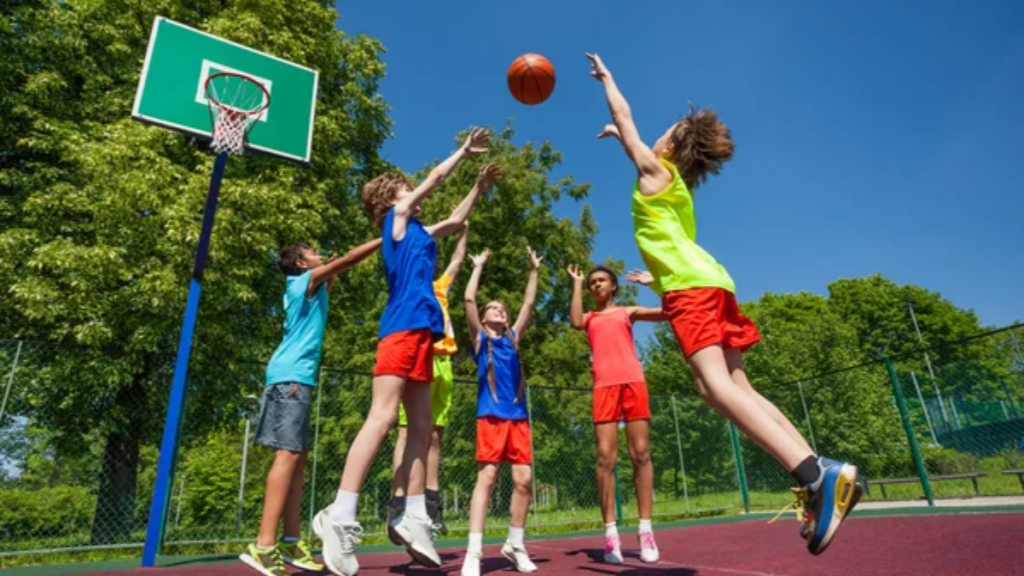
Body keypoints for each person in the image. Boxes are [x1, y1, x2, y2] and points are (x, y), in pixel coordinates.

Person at [586, 52, 861, 556]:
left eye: (660, 134)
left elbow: (628, 121)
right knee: (731, 388)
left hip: (694, 289)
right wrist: (660, 282)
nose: (650, 138)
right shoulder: (676, 190)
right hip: (711, 282)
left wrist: (609, 81)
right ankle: (816, 471)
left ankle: (816, 475)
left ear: (666, 147)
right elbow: (674, 244)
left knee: (712, 384)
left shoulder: (654, 172)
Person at [313, 127, 500, 576]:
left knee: (421, 426)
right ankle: (339, 515)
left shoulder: (418, 230)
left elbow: (454, 223)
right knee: (381, 420)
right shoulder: (395, 220)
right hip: (399, 330)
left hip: (425, 336)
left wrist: (477, 187)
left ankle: (413, 513)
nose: (411, 187)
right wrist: (462, 152)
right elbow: (433, 180)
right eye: (404, 186)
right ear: (390, 197)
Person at [240, 238, 381, 576]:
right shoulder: (302, 281)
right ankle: (262, 545)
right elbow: (345, 260)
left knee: (298, 458)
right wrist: (386, 234)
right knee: (287, 455)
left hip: (298, 380)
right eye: (313, 253)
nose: (321, 255)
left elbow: (333, 275)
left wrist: (327, 268)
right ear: (301, 264)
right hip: (289, 379)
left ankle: (290, 539)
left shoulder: (312, 286)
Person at [567, 264, 664, 564]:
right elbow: (574, 321)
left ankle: (645, 530)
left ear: (613, 287)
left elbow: (669, 311)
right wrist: (576, 283)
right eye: (592, 283)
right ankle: (611, 535)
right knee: (605, 458)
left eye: (601, 281)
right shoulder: (590, 317)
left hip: (633, 382)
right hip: (604, 386)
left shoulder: (627, 312)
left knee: (641, 454)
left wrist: (655, 284)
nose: (596, 285)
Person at [460, 247, 542, 576]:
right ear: (483, 317)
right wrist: (478, 267)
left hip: (518, 417)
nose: (499, 311)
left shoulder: (512, 338)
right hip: (491, 416)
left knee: (524, 481)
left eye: (502, 309)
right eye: (492, 308)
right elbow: (467, 300)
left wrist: (533, 271)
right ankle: (474, 552)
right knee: (489, 477)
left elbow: (529, 304)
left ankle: (515, 543)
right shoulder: (481, 339)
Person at [386, 223, 470, 541]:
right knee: (408, 433)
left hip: (445, 363)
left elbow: (457, 262)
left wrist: (463, 231)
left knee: (435, 436)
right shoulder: (409, 287)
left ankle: (431, 506)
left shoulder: (439, 288)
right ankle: (397, 502)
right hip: (421, 356)